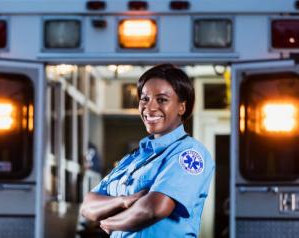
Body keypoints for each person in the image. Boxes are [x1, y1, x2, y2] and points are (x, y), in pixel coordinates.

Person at [81, 63, 215, 237]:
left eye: (162, 99)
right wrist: (123, 201)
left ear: (182, 107)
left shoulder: (189, 153)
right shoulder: (132, 159)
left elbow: (154, 208)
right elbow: (88, 206)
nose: (150, 107)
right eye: (144, 99)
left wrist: (110, 222)